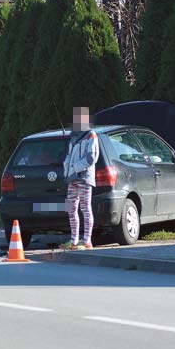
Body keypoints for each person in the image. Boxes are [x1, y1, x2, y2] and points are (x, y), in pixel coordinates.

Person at [63, 106, 100, 250]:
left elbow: (91, 158)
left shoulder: (92, 135)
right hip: (72, 179)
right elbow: (69, 156)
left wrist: (74, 168)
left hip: (84, 178)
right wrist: (67, 169)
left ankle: (87, 241)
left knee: (85, 208)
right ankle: (73, 241)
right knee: (71, 209)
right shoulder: (73, 136)